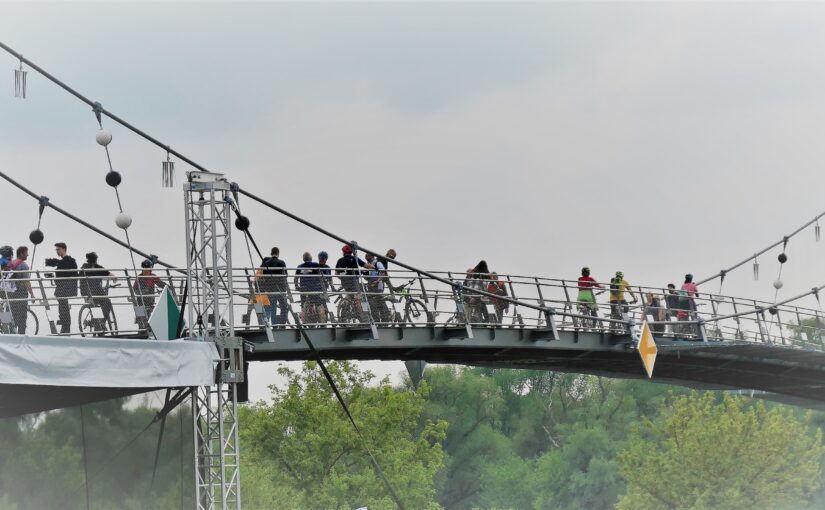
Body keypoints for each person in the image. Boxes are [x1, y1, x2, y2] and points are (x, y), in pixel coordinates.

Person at [47, 242, 78, 334]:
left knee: (63, 309)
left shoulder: (68, 260)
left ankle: (65, 329)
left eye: (58, 249)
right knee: (63, 308)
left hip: (65, 288)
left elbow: (66, 272)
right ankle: (65, 328)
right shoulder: (66, 261)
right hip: (63, 288)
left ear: (64, 249)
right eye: (56, 249)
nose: (57, 251)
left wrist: (56, 266)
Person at [4, 246, 35, 334]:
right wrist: (32, 294)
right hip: (21, 293)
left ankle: (11, 334)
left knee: (11, 313)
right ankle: (21, 337)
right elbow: (26, 281)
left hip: (10, 293)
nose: (28, 255)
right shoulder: (23, 265)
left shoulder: (10, 263)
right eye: (26, 253)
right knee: (22, 316)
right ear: (21, 253)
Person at [79, 252, 114, 323]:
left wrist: (111, 275)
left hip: (91, 292)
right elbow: (106, 272)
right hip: (91, 292)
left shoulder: (86, 267)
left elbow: (106, 272)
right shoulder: (88, 268)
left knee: (102, 304)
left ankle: (99, 323)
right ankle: (101, 323)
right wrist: (113, 276)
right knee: (106, 303)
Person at [133, 259, 167, 324]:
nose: (146, 271)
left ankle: (148, 326)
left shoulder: (152, 276)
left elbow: (160, 283)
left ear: (150, 269)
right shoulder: (139, 277)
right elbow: (135, 289)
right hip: (140, 301)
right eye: (144, 269)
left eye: (147, 269)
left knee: (148, 314)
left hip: (149, 300)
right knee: (139, 315)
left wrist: (167, 287)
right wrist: (142, 292)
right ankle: (141, 327)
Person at [261, 247, 288, 325]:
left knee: (273, 308)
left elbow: (263, 275)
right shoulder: (282, 262)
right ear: (278, 253)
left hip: (270, 289)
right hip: (281, 289)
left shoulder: (267, 263)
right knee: (283, 307)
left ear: (271, 253)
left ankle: (274, 324)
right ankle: (283, 323)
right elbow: (285, 275)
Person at [294, 252, 324, 323]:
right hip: (314, 288)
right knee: (319, 305)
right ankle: (323, 322)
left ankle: (304, 322)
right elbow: (321, 275)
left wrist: (296, 286)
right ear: (311, 258)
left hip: (303, 289)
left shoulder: (300, 267)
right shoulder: (315, 265)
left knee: (303, 306)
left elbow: (295, 278)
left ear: (303, 259)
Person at [364, 252, 391, 322]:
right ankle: (376, 319)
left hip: (378, 286)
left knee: (380, 302)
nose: (365, 257)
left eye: (367, 256)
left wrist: (378, 280)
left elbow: (383, 272)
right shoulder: (369, 265)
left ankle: (385, 319)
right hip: (371, 286)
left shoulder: (377, 263)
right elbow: (368, 276)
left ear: (372, 256)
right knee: (373, 303)